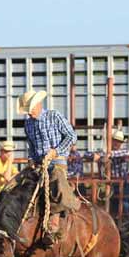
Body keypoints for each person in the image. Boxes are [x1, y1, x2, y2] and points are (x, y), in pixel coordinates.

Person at [19, 89, 80, 246]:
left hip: (57, 162)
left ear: (38, 104)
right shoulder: (28, 124)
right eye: (27, 110)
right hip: (39, 164)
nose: (29, 113)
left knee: (55, 182)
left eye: (30, 109)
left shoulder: (54, 116)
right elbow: (31, 146)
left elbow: (71, 136)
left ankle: (53, 226)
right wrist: (31, 159)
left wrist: (56, 151)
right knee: (16, 185)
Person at [94, 130, 129, 216]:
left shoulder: (124, 151)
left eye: (119, 141)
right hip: (112, 184)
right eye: (115, 140)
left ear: (121, 143)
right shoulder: (107, 152)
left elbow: (126, 152)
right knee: (113, 205)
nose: (117, 143)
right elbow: (92, 154)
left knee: (124, 205)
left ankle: (125, 223)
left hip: (123, 183)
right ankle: (116, 223)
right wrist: (97, 156)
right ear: (112, 140)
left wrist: (108, 155)